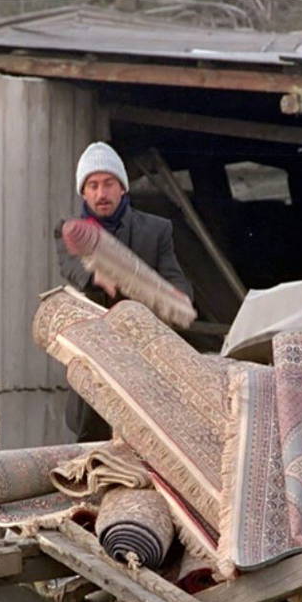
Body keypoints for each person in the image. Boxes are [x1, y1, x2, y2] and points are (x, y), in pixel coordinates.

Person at [55, 141, 193, 440]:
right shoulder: (71, 230)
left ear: (122, 188)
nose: (101, 193)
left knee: (145, 443)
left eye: (108, 184)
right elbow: (71, 268)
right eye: (92, 185)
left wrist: (179, 298)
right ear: (83, 192)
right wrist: (97, 278)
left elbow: (174, 278)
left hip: (140, 356)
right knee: (92, 447)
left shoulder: (157, 230)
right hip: (95, 358)